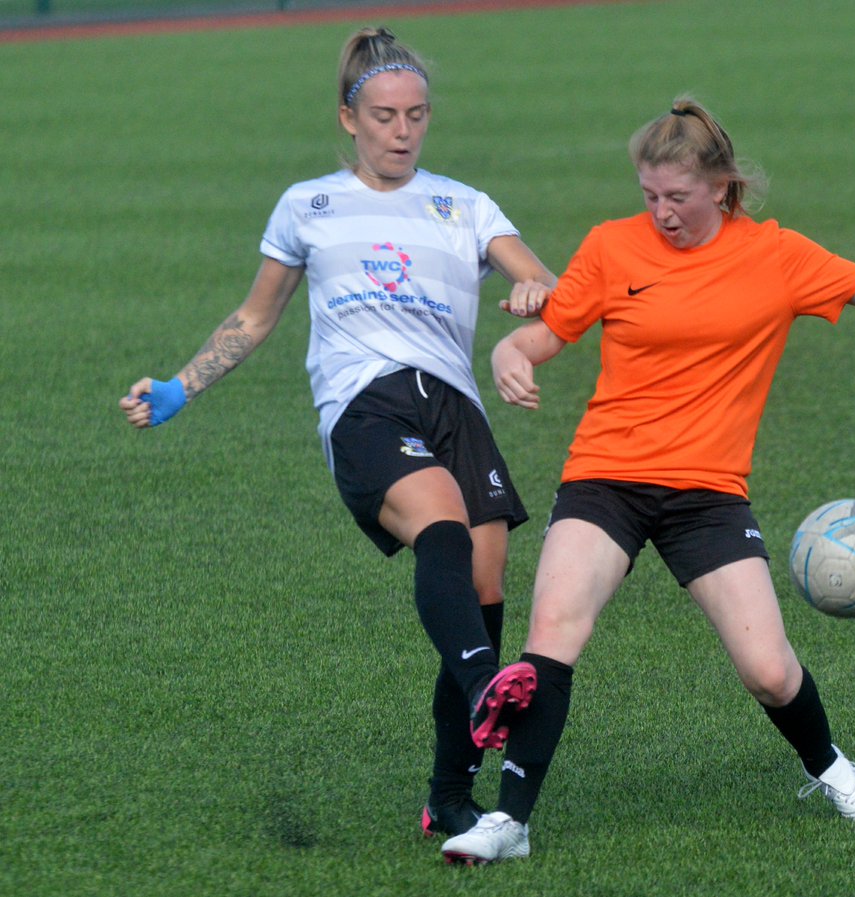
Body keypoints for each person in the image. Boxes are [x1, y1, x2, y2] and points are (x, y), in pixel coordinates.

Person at [437, 96, 855, 864]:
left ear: (722, 187)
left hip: (708, 493)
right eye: (649, 195)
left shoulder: (775, 256)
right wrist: (510, 354)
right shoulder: (612, 246)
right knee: (552, 635)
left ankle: (829, 764)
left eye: (677, 196)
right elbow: (543, 334)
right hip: (605, 477)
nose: (661, 213)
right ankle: (509, 821)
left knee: (770, 671)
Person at [118, 27, 557, 840]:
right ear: (349, 118)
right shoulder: (307, 206)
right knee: (442, 529)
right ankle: (483, 686)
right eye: (385, 116)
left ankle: (449, 796)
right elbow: (255, 316)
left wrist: (533, 292)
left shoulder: (464, 205)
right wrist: (180, 386)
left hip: (454, 406)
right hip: (365, 404)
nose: (402, 131)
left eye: (417, 115)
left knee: (484, 587)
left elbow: (538, 273)